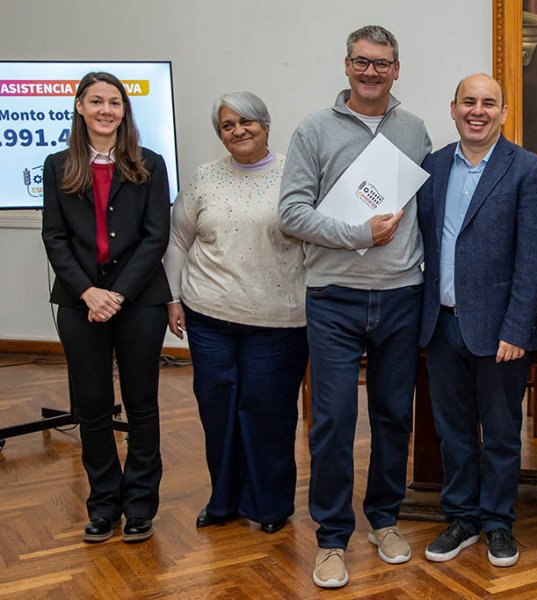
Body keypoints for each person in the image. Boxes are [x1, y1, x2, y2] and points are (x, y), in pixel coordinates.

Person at [278, 25, 431, 589]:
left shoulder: (415, 131)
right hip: (334, 300)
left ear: (397, 69)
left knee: (394, 416)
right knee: (334, 421)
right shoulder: (314, 130)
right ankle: (332, 538)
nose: (372, 72)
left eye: (383, 63)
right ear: (346, 66)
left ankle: (384, 520)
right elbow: (290, 214)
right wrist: (353, 231)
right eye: (362, 62)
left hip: (400, 297)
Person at [418, 73, 537, 568]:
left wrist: (518, 327)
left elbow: (533, 255)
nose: (478, 110)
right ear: (453, 108)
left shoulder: (528, 169)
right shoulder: (431, 167)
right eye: (468, 102)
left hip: (501, 333)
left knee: (499, 433)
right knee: (452, 432)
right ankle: (461, 518)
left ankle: (498, 522)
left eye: (488, 103)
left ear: (503, 112)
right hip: (441, 324)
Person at [163, 92, 308, 536]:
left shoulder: (295, 175)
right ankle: (223, 501)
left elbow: (316, 240)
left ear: (266, 125)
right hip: (209, 316)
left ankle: (269, 505)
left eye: (247, 122)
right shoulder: (205, 177)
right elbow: (177, 241)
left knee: (268, 412)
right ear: (219, 133)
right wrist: (173, 299)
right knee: (218, 410)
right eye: (228, 125)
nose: (238, 130)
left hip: (278, 321)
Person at [41, 72, 171, 544]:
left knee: (141, 406)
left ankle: (139, 506)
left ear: (124, 111)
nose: (105, 110)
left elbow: (156, 236)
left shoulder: (150, 164)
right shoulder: (56, 166)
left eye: (114, 102)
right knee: (92, 407)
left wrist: (117, 293)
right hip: (80, 303)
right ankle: (103, 506)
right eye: (95, 101)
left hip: (139, 302)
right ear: (79, 107)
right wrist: (87, 293)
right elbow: (54, 237)